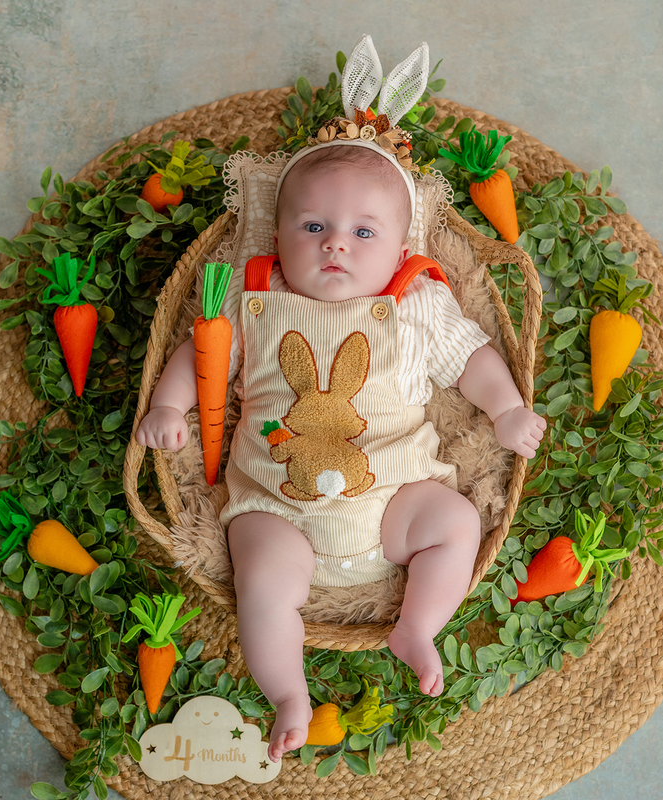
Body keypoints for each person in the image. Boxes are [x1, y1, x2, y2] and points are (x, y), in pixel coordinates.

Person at [136, 131, 545, 761]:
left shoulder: (415, 304)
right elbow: (199, 357)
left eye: (363, 233)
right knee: (262, 584)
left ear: (401, 249)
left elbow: (471, 358)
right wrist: (168, 405)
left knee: (456, 521)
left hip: (393, 501)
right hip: (278, 505)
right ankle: (289, 696)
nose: (334, 243)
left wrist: (508, 407)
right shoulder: (256, 303)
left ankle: (417, 625)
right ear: (277, 242)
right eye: (314, 225)